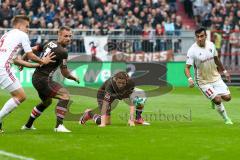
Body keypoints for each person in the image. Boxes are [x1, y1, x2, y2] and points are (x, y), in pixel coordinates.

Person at [0, 15, 54, 133]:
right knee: (21, 96)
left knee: (19, 96)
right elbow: (30, 55)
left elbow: (16, 60)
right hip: (2, 68)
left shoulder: (7, 34)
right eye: (27, 26)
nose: (28, 29)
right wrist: (42, 61)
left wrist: (37, 65)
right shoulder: (22, 35)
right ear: (19, 25)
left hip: (2, 66)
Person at [22, 26, 79, 132]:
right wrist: (73, 77)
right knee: (65, 95)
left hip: (36, 78)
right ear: (59, 35)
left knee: (47, 102)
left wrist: (23, 59)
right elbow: (65, 73)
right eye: (66, 36)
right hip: (43, 80)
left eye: (70, 36)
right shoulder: (62, 52)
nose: (68, 38)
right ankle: (59, 126)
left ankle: (28, 125)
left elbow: (32, 49)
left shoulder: (49, 43)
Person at [184, 27, 233, 125]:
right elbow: (187, 68)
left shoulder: (211, 45)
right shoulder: (192, 50)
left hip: (215, 77)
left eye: (201, 36)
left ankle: (213, 98)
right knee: (218, 99)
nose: (199, 38)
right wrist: (189, 79)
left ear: (206, 36)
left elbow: (216, 59)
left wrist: (224, 71)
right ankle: (226, 119)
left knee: (228, 98)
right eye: (197, 37)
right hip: (203, 81)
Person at [79, 71, 149, 127]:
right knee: (106, 122)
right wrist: (102, 123)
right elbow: (105, 103)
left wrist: (131, 120)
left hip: (120, 94)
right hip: (103, 95)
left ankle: (138, 118)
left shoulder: (131, 83)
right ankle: (90, 114)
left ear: (127, 81)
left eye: (123, 83)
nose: (121, 85)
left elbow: (132, 102)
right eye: (119, 83)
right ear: (115, 80)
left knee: (141, 94)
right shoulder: (109, 85)